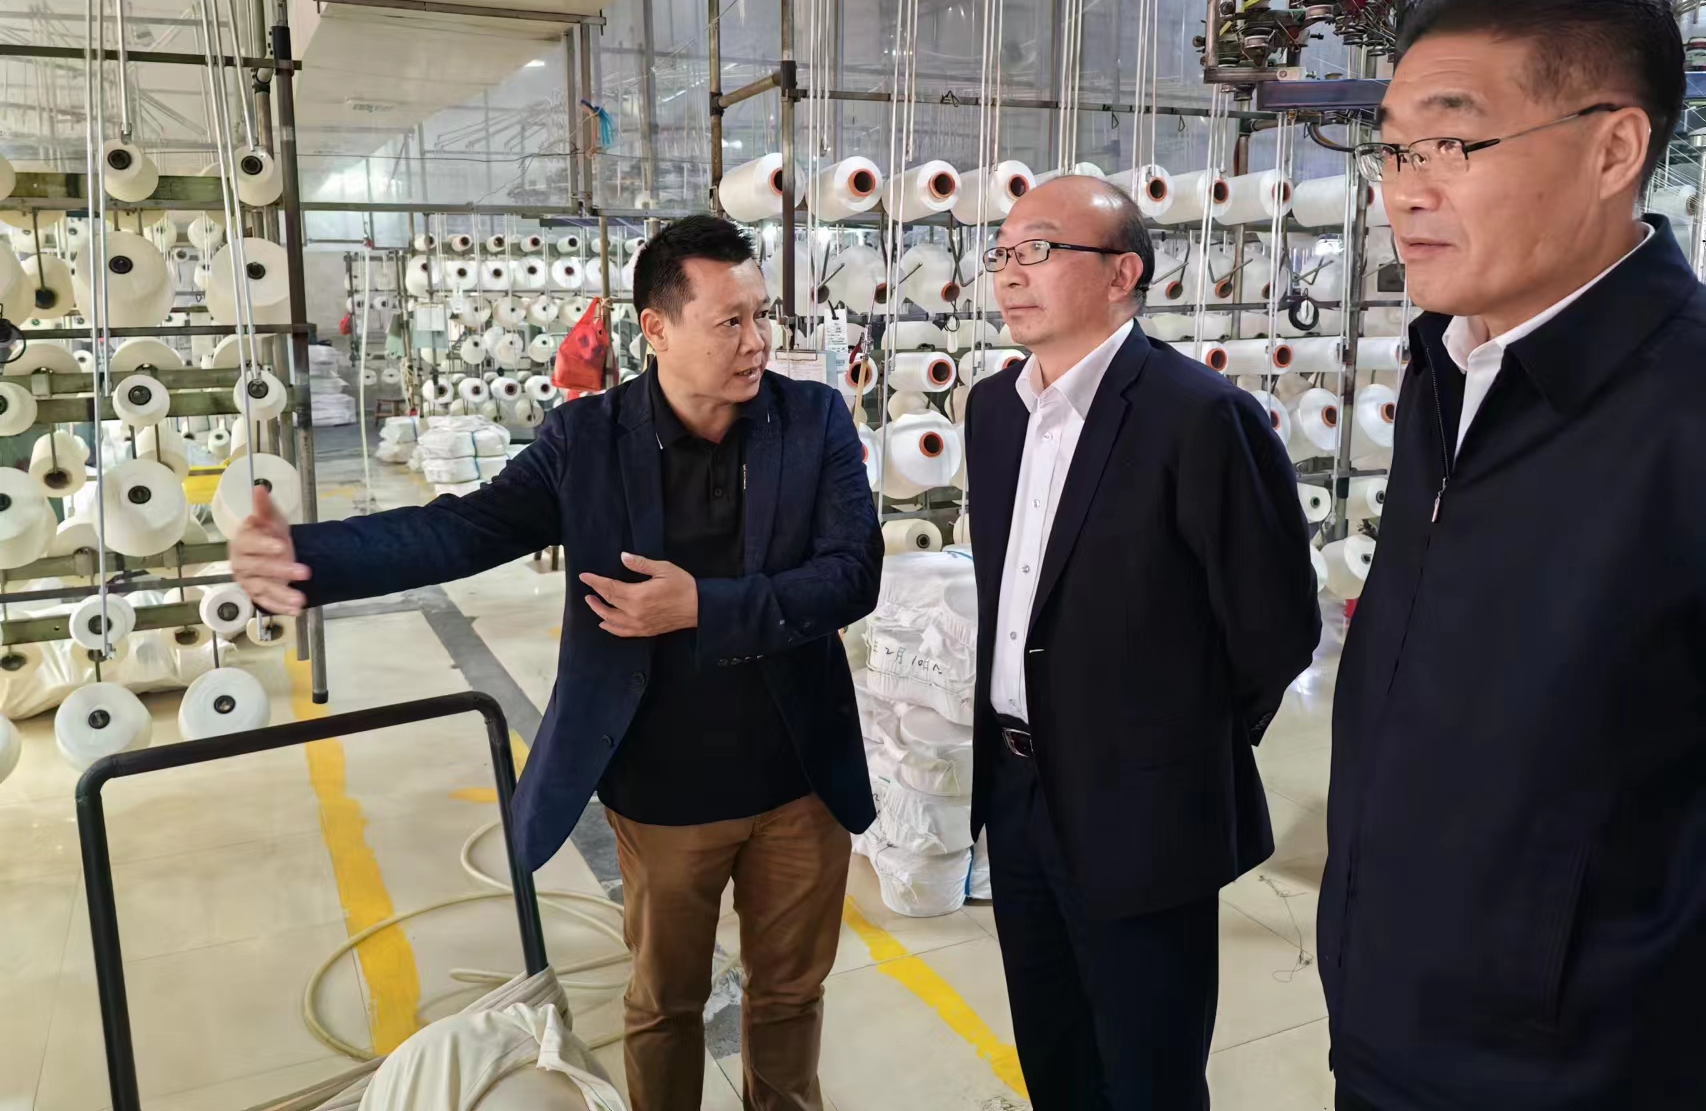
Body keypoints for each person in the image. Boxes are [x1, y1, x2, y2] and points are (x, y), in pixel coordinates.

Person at [230, 214, 883, 1111]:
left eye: (762, 314)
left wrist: (703, 605)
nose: (758, 341)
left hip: (800, 781)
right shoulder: (588, 440)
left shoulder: (810, 420)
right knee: (666, 1004)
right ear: (656, 329)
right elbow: (464, 529)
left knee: (790, 996)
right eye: (730, 321)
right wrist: (306, 557)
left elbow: (853, 573)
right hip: (665, 792)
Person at [1319, 0, 1706, 1111]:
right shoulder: (1449, 369)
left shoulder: (1681, 417)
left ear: (1611, 149)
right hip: (1383, 1026)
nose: (1403, 191)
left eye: (1451, 143)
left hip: (1576, 1071)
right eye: (1393, 149)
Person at [962, 175, 1321, 1110]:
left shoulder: (1197, 415)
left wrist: (1173, 746)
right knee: (1054, 1053)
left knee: (1148, 1071)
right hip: (1017, 789)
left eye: (1039, 250)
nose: (1010, 274)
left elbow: (1276, 625)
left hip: (1143, 804)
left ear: (1122, 273)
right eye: (1002, 253)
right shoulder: (994, 412)